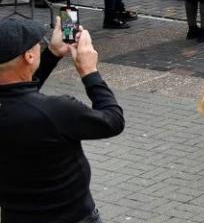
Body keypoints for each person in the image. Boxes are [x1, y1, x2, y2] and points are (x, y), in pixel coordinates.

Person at [0, 18, 124, 223]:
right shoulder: (57, 111)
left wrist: (52, 53)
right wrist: (89, 72)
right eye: (38, 46)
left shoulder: (29, 111)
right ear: (29, 56)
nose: (41, 47)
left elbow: (16, 93)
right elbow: (113, 121)